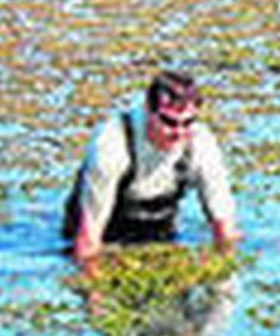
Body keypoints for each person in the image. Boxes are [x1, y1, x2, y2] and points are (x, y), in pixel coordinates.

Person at [63, 70, 240, 268]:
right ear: (148, 109)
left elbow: (225, 231)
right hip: (102, 231)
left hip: (159, 231)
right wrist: (95, 293)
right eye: (169, 122)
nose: (179, 133)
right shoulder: (111, 146)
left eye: (188, 123)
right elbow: (88, 242)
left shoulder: (202, 144)